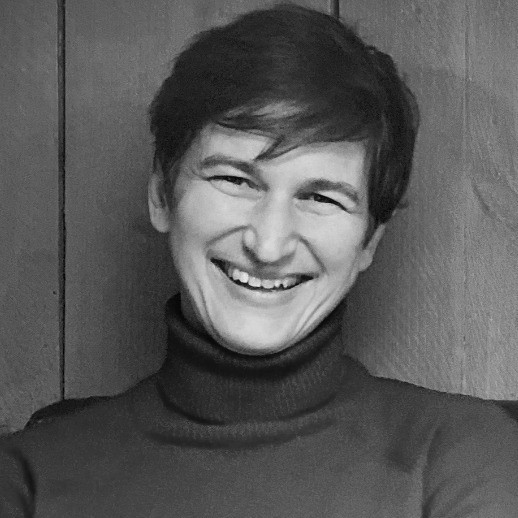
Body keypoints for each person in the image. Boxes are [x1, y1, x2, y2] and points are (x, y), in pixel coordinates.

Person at [1, 4, 517, 517]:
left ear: (369, 243)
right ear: (162, 196)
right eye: (235, 180)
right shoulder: (26, 478)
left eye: (321, 198)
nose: (268, 246)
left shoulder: (463, 455)